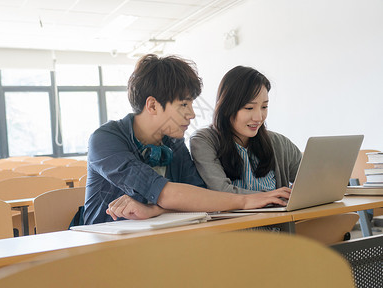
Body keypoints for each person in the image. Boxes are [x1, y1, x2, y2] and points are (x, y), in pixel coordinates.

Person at [77, 56, 290, 225]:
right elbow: (163, 192)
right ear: (152, 106)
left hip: (161, 242)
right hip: (103, 246)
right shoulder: (105, 139)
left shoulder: (173, 142)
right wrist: (246, 200)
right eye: (183, 105)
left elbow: (199, 198)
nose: (192, 114)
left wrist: (153, 210)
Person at [190, 66, 302, 195]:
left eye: (264, 107)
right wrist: (269, 196)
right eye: (249, 108)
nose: (259, 117)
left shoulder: (278, 142)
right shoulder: (204, 141)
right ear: (226, 107)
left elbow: (311, 178)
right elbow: (221, 192)